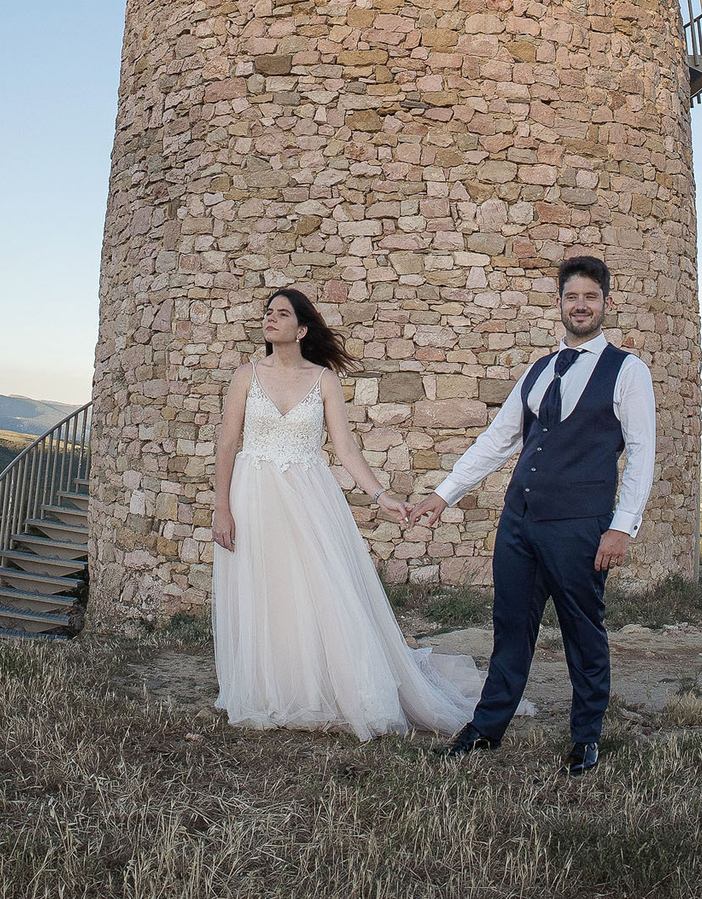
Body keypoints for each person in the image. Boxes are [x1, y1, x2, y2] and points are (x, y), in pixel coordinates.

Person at [405, 254, 654, 775]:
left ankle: (585, 737)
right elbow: (498, 441)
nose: (580, 306)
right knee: (510, 625)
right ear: (559, 304)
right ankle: (487, 728)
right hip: (519, 518)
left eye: (590, 297)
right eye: (571, 297)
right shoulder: (539, 370)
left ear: (606, 303)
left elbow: (641, 454)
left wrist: (620, 526)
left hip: (580, 524)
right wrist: (444, 494)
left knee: (582, 631)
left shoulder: (628, 371)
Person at [210, 287, 486, 738]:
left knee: (317, 586)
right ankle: (269, 689)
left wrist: (381, 496)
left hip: (308, 496)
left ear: (301, 330)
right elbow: (226, 444)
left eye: (282, 313)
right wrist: (221, 508)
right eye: (267, 312)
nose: (270, 318)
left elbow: (345, 449)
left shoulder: (323, 380)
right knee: (265, 587)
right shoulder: (246, 376)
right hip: (253, 494)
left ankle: (321, 686)